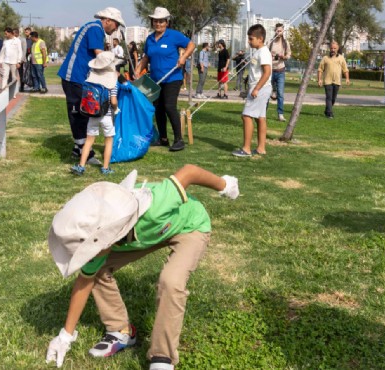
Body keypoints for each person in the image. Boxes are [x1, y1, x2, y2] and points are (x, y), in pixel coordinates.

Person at [45, 164, 240, 370]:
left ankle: (162, 357)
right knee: (97, 271)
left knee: (171, 282)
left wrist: (225, 185)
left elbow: (189, 172)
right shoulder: (100, 242)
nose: (87, 254)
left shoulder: (155, 206)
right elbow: (84, 281)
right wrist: (65, 336)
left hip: (190, 226)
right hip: (145, 235)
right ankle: (121, 332)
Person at [58, 7, 125, 162]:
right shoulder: (95, 28)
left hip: (80, 77)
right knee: (78, 112)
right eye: (116, 24)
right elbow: (99, 55)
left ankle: (78, 148)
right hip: (74, 76)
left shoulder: (94, 28)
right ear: (107, 21)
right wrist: (116, 71)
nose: (116, 28)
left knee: (83, 112)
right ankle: (83, 150)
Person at [135, 7, 195, 152]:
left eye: (161, 21)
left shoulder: (174, 35)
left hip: (173, 78)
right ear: (152, 22)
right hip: (155, 80)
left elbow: (191, 44)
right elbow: (146, 57)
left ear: (167, 22)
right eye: (156, 21)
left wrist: (184, 57)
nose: (158, 24)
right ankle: (163, 139)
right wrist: (138, 69)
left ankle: (179, 140)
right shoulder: (149, 39)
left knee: (169, 106)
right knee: (158, 109)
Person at [70, 52, 120, 176]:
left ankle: (81, 166)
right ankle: (105, 168)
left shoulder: (90, 76)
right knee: (108, 140)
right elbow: (113, 101)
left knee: (89, 141)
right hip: (107, 115)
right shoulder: (113, 81)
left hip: (92, 114)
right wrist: (116, 109)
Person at [231, 24, 272, 157]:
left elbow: (267, 72)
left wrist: (256, 89)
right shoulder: (258, 51)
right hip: (258, 88)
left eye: (251, 39)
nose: (249, 41)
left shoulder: (264, 52)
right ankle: (261, 148)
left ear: (260, 39)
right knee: (260, 118)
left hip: (260, 89)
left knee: (246, 116)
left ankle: (246, 149)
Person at [317, 41, 349, 119]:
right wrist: (319, 79)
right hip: (327, 81)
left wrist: (347, 78)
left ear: (337, 49)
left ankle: (327, 110)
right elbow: (320, 69)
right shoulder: (325, 58)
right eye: (331, 48)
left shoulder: (341, 58)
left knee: (333, 98)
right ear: (329, 49)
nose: (333, 50)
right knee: (329, 97)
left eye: (335, 48)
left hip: (337, 81)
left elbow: (345, 69)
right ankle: (330, 114)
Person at [269, 23, 291, 121]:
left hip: (281, 70)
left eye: (280, 31)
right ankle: (263, 113)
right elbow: (266, 53)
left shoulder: (285, 43)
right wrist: (271, 56)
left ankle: (280, 114)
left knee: (280, 94)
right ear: (275, 31)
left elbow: (289, 54)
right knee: (266, 93)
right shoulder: (270, 42)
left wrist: (284, 57)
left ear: (283, 31)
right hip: (270, 70)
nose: (279, 32)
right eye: (277, 31)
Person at [0, 27, 22, 96]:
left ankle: (13, 93)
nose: (5, 35)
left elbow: (20, 51)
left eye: (6, 34)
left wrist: (19, 61)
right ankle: (3, 92)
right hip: (6, 61)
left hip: (14, 62)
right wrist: (0, 61)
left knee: (14, 77)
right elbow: (2, 52)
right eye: (4, 34)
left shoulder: (17, 40)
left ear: (11, 33)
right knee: (5, 76)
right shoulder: (5, 41)